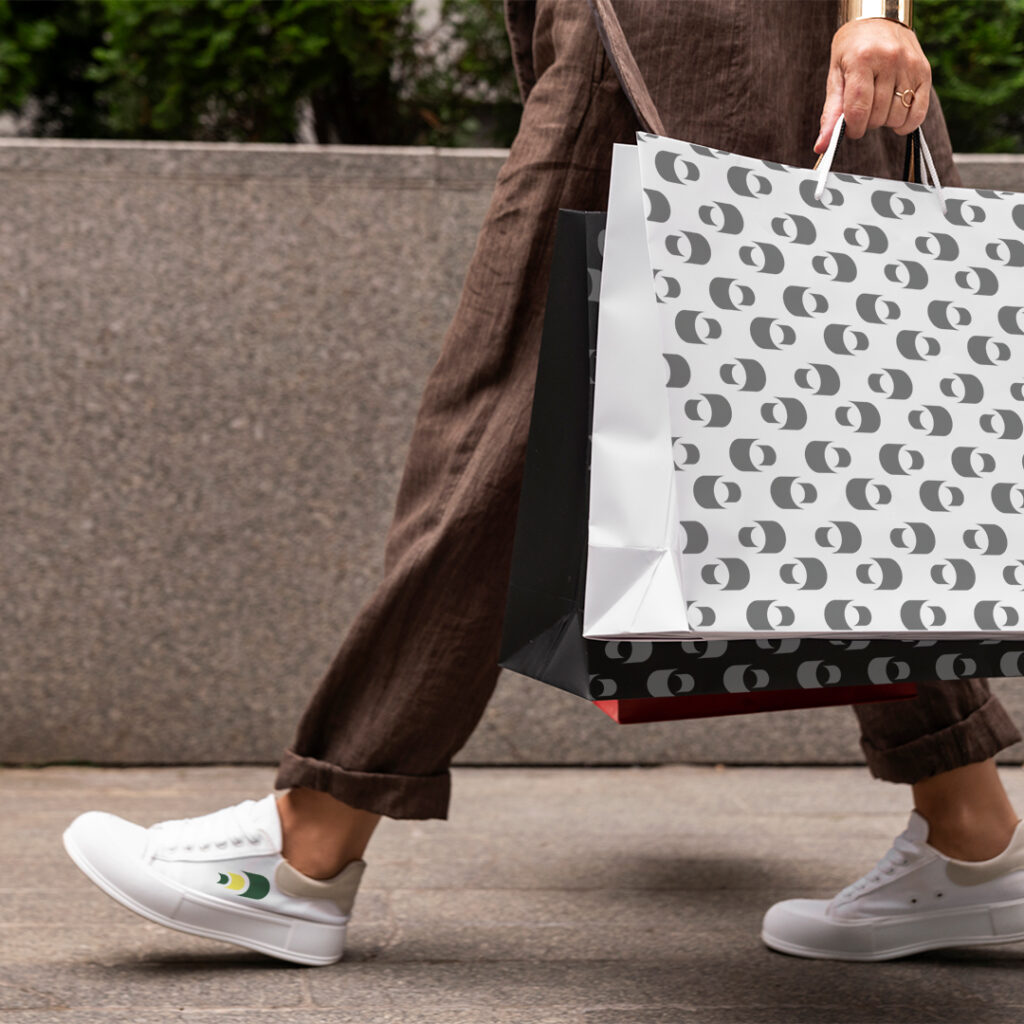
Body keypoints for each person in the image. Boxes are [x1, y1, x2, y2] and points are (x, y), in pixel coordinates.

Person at [62, 0, 1024, 966]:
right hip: (704, 46)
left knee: (513, 418)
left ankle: (310, 841)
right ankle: (971, 835)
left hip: (708, 42)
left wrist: (878, 13)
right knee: (838, 433)